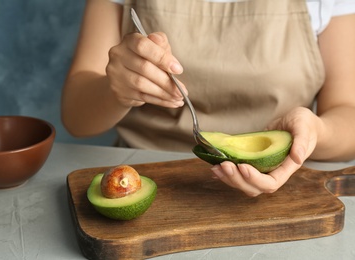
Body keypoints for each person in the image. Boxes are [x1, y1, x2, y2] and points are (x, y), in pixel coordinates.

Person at [61, 0, 355, 197]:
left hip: (285, 187)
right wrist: (118, 90)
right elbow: (76, 117)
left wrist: (314, 131)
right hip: (146, 178)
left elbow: (348, 114)